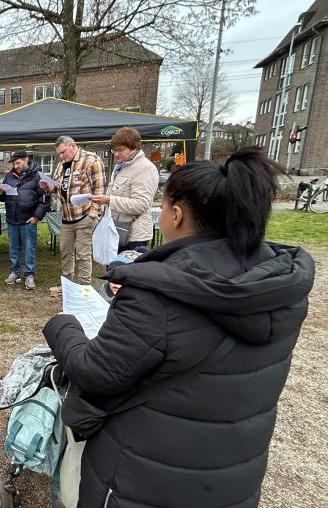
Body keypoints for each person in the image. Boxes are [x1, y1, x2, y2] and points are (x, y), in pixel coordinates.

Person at [42, 147, 315, 507]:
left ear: (176, 214)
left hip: (143, 479)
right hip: (232, 476)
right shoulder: (278, 284)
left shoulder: (157, 294)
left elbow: (95, 372)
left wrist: (63, 326)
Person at [40, 136, 106, 286]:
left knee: (83, 253)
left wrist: (92, 215)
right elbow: (56, 186)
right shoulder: (61, 164)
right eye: (59, 154)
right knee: (65, 251)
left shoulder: (92, 160)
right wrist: (47, 186)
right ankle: (67, 284)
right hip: (66, 217)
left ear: (73, 146)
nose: (61, 156)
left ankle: (84, 287)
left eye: (63, 152)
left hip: (85, 215)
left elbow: (99, 190)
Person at [91, 127, 159, 252]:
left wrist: (109, 200)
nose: (116, 154)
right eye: (114, 150)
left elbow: (142, 204)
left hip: (133, 236)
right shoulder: (121, 167)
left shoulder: (145, 169)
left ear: (134, 148)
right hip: (117, 230)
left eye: (121, 150)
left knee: (126, 265)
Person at [0, 151, 50, 290]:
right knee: (13, 249)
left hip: (28, 220)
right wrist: (0, 193)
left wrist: (36, 217)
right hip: (12, 219)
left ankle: (29, 274)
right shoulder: (9, 176)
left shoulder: (37, 176)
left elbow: (45, 200)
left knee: (29, 249)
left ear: (26, 160)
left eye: (18, 163)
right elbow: (4, 197)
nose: (16, 166)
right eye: (14, 164)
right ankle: (14, 272)